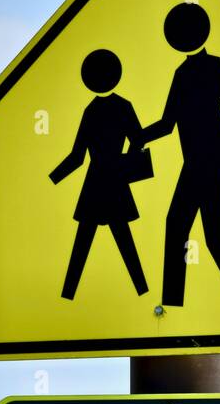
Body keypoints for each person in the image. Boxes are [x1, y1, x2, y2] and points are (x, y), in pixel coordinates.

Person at [142, 3, 220, 308]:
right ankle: (175, 304)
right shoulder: (182, 74)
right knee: (188, 229)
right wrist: (140, 136)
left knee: (207, 234)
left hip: (210, 165)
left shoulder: (213, 67)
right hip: (195, 165)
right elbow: (168, 124)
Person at [49, 48, 148, 300]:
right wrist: (124, 164)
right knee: (118, 239)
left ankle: (69, 294)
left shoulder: (92, 111)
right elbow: (138, 140)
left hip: (97, 182)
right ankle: (142, 290)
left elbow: (77, 157)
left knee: (89, 241)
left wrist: (54, 177)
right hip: (114, 179)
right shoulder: (121, 107)